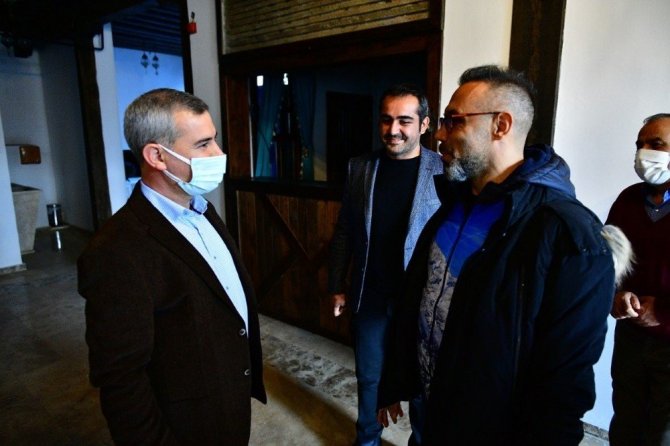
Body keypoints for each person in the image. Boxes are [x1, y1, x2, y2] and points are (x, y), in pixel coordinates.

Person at [378, 65, 627, 445]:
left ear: (501, 125)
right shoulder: (455, 203)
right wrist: (397, 378)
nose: (440, 135)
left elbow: (564, 387)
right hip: (430, 408)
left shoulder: (570, 237)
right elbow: (420, 299)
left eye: (453, 121)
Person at [78, 88, 266, 445]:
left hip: (229, 401)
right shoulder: (115, 251)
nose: (219, 154)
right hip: (188, 424)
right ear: (156, 156)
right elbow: (121, 381)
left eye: (214, 139)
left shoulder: (201, 208)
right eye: (203, 144)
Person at [328, 83, 444, 445]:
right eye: (386, 120)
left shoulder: (445, 170)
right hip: (371, 296)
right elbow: (345, 230)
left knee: (424, 385)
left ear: (424, 124)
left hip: (421, 302)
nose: (393, 130)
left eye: (404, 121)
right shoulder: (360, 167)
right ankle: (367, 440)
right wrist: (337, 285)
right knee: (369, 378)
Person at [607, 113, 670, 446]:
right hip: (631, 338)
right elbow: (606, 260)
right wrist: (616, 296)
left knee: (662, 434)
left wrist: (662, 311)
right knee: (626, 426)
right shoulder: (628, 200)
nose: (644, 152)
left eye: (656, 144)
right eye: (640, 144)